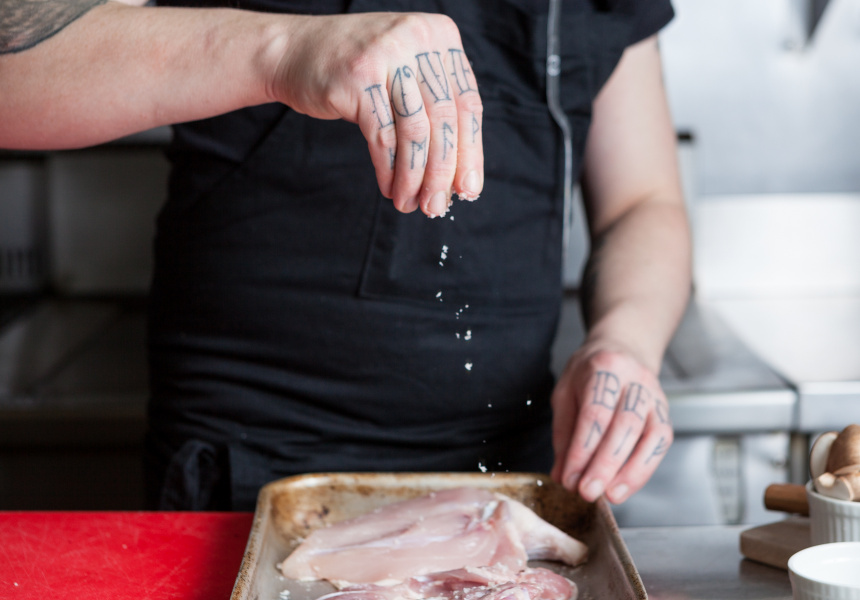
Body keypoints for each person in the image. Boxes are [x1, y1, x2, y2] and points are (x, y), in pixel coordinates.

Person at [0, 0, 692, 511]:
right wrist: (281, 49)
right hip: (247, 473)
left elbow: (644, 202)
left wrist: (625, 339)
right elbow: (15, 77)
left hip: (513, 472)